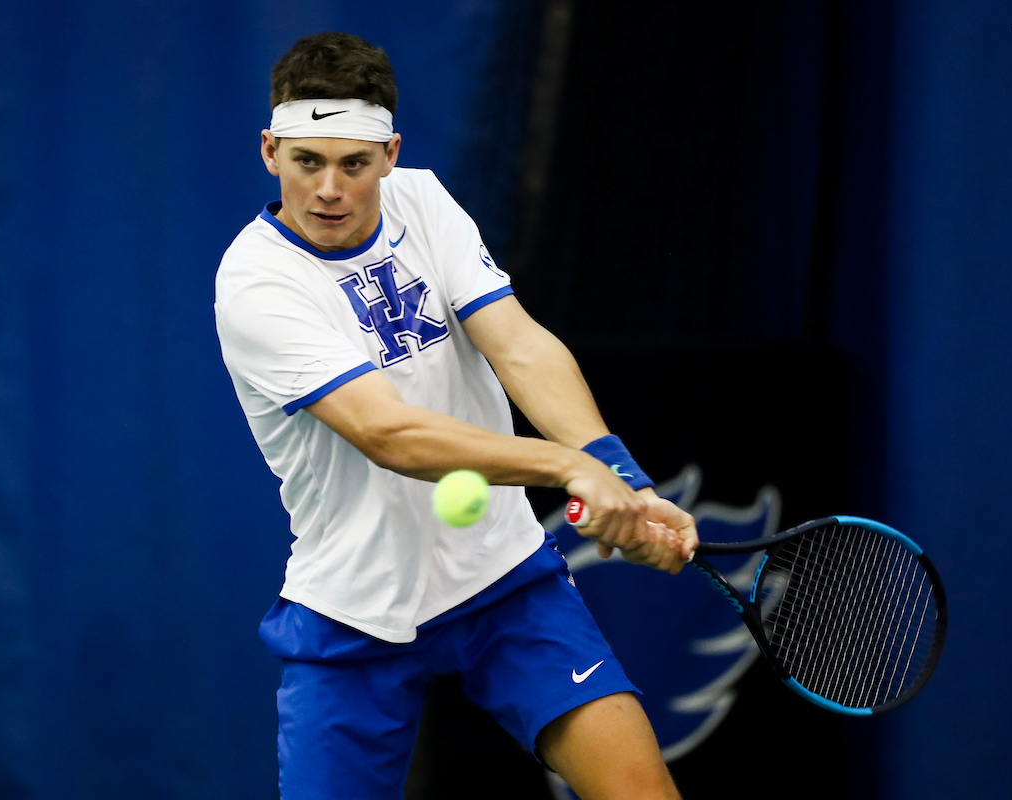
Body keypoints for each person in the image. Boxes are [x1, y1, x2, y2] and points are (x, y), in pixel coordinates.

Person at [214, 31, 699, 800]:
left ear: (392, 154)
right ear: (271, 151)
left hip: (504, 577)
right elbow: (388, 433)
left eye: (355, 163)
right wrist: (567, 467)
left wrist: (620, 478)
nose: (330, 189)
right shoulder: (255, 283)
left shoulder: (425, 201)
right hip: (356, 610)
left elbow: (518, 346)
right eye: (308, 161)